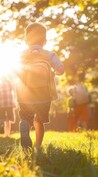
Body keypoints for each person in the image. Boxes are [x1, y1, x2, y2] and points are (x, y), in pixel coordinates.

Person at [16, 22, 64, 152]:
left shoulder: (21, 55)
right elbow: (61, 70)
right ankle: (37, 146)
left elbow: (14, 71)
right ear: (45, 41)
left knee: (25, 117)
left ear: (26, 41)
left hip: (24, 94)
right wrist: (53, 72)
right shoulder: (50, 55)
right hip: (44, 94)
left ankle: (24, 127)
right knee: (39, 120)